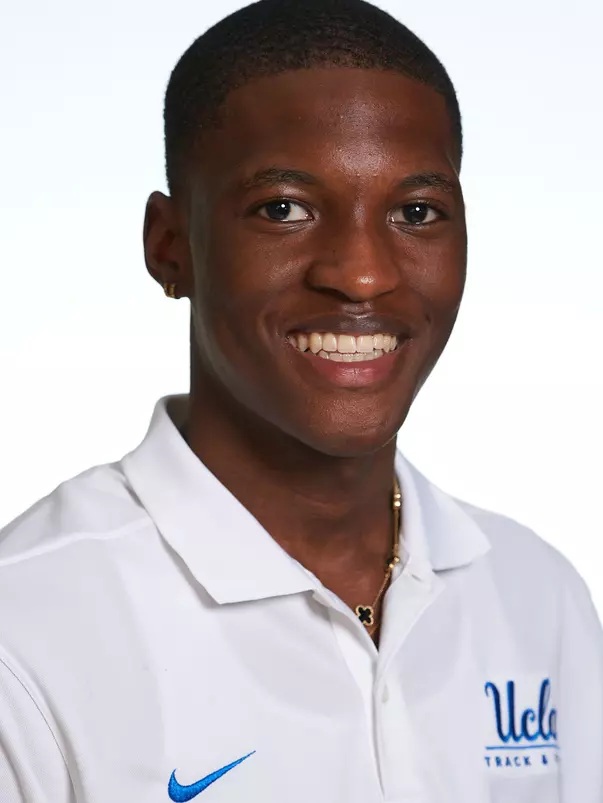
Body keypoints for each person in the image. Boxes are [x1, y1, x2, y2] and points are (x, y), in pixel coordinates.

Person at [0, 0, 601, 800]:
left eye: (415, 212)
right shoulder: (29, 626)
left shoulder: (535, 590)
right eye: (283, 208)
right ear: (168, 246)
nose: (361, 274)